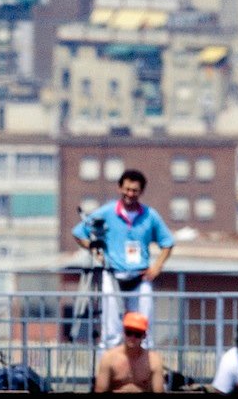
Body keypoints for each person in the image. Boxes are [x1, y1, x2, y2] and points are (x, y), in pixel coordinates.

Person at [72, 168, 176, 347]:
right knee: (111, 328)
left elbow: (167, 242)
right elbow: (79, 232)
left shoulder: (150, 215)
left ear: (141, 192)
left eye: (135, 190)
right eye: (127, 189)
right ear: (120, 188)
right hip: (113, 275)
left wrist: (157, 267)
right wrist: (93, 249)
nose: (130, 194)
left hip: (140, 277)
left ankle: (144, 366)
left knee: (144, 326)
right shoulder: (107, 212)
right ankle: (108, 367)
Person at [92, 312, 165, 392]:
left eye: (137, 334)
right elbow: (100, 390)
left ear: (144, 335)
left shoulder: (154, 361)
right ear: (123, 332)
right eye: (129, 332)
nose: (132, 337)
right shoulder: (109, 358)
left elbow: (159, 390)